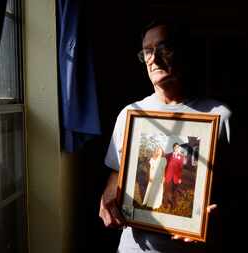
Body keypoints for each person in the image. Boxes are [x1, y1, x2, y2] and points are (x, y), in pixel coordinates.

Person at [99, 18, 231, 252]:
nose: (153, 59)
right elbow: (117, 170)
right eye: (147, 51)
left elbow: (244, 189)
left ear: (184, 52)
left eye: (163, 49)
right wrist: (109, 194)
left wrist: (219, 215)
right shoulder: (130, 114)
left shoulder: (220, 117)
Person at [164, 142, 186, 209]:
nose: (176, 148)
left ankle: (174, 205)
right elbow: (164, 166)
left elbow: (181, 168)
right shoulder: (168, 155)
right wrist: (164, 176)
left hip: (176, 177)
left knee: (175, 192)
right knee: (166, 191)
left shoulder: (181, 157)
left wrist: (179, 178)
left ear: (179, 148)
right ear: (173, 148)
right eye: (175, 147)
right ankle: (165, 204)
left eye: (178, 147)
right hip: (168, 176)